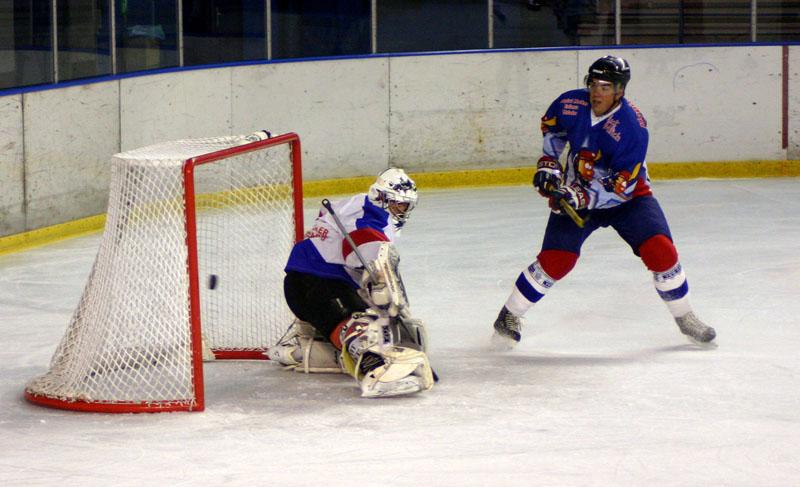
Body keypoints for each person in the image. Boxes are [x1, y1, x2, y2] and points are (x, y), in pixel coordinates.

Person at [492, 55, 716, 349]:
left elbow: (623, 185)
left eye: (605, 86)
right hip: (577, 191)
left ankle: (685, 316)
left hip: (629, 199)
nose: (597, 92)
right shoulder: (570, 104)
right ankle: (508, 316)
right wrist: (549, 164)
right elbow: (554, 129)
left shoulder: (632, 127)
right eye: (593, 84)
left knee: (661, 251)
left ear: (620, 90)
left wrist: (581, 195)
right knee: (557, 260)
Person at [270, 168, 434, 397]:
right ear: (382, 198)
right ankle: (375, 371)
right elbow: (366, 258)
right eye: (397, 204)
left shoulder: (356, 204)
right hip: (315, 284)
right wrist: (389, 301)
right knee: (364, 329)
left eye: (405, 205)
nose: (402, 211)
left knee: (386, 330)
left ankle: (302, 350)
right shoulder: (370, 221)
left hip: (317, 281)